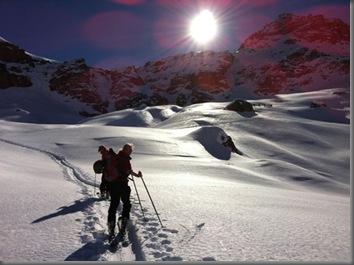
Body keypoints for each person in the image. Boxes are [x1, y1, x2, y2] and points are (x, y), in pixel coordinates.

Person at [107, 143, 142, 237]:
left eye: (131, 150)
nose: (131, 152)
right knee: (126, 203)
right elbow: (128, 171)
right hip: (122, 184)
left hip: (112, 184)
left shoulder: (115, 157)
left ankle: (111, 225)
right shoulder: (125, 158)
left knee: (113, 204)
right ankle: (124, 221)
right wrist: (137, 175)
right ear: (125, 149)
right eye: (130, 150)